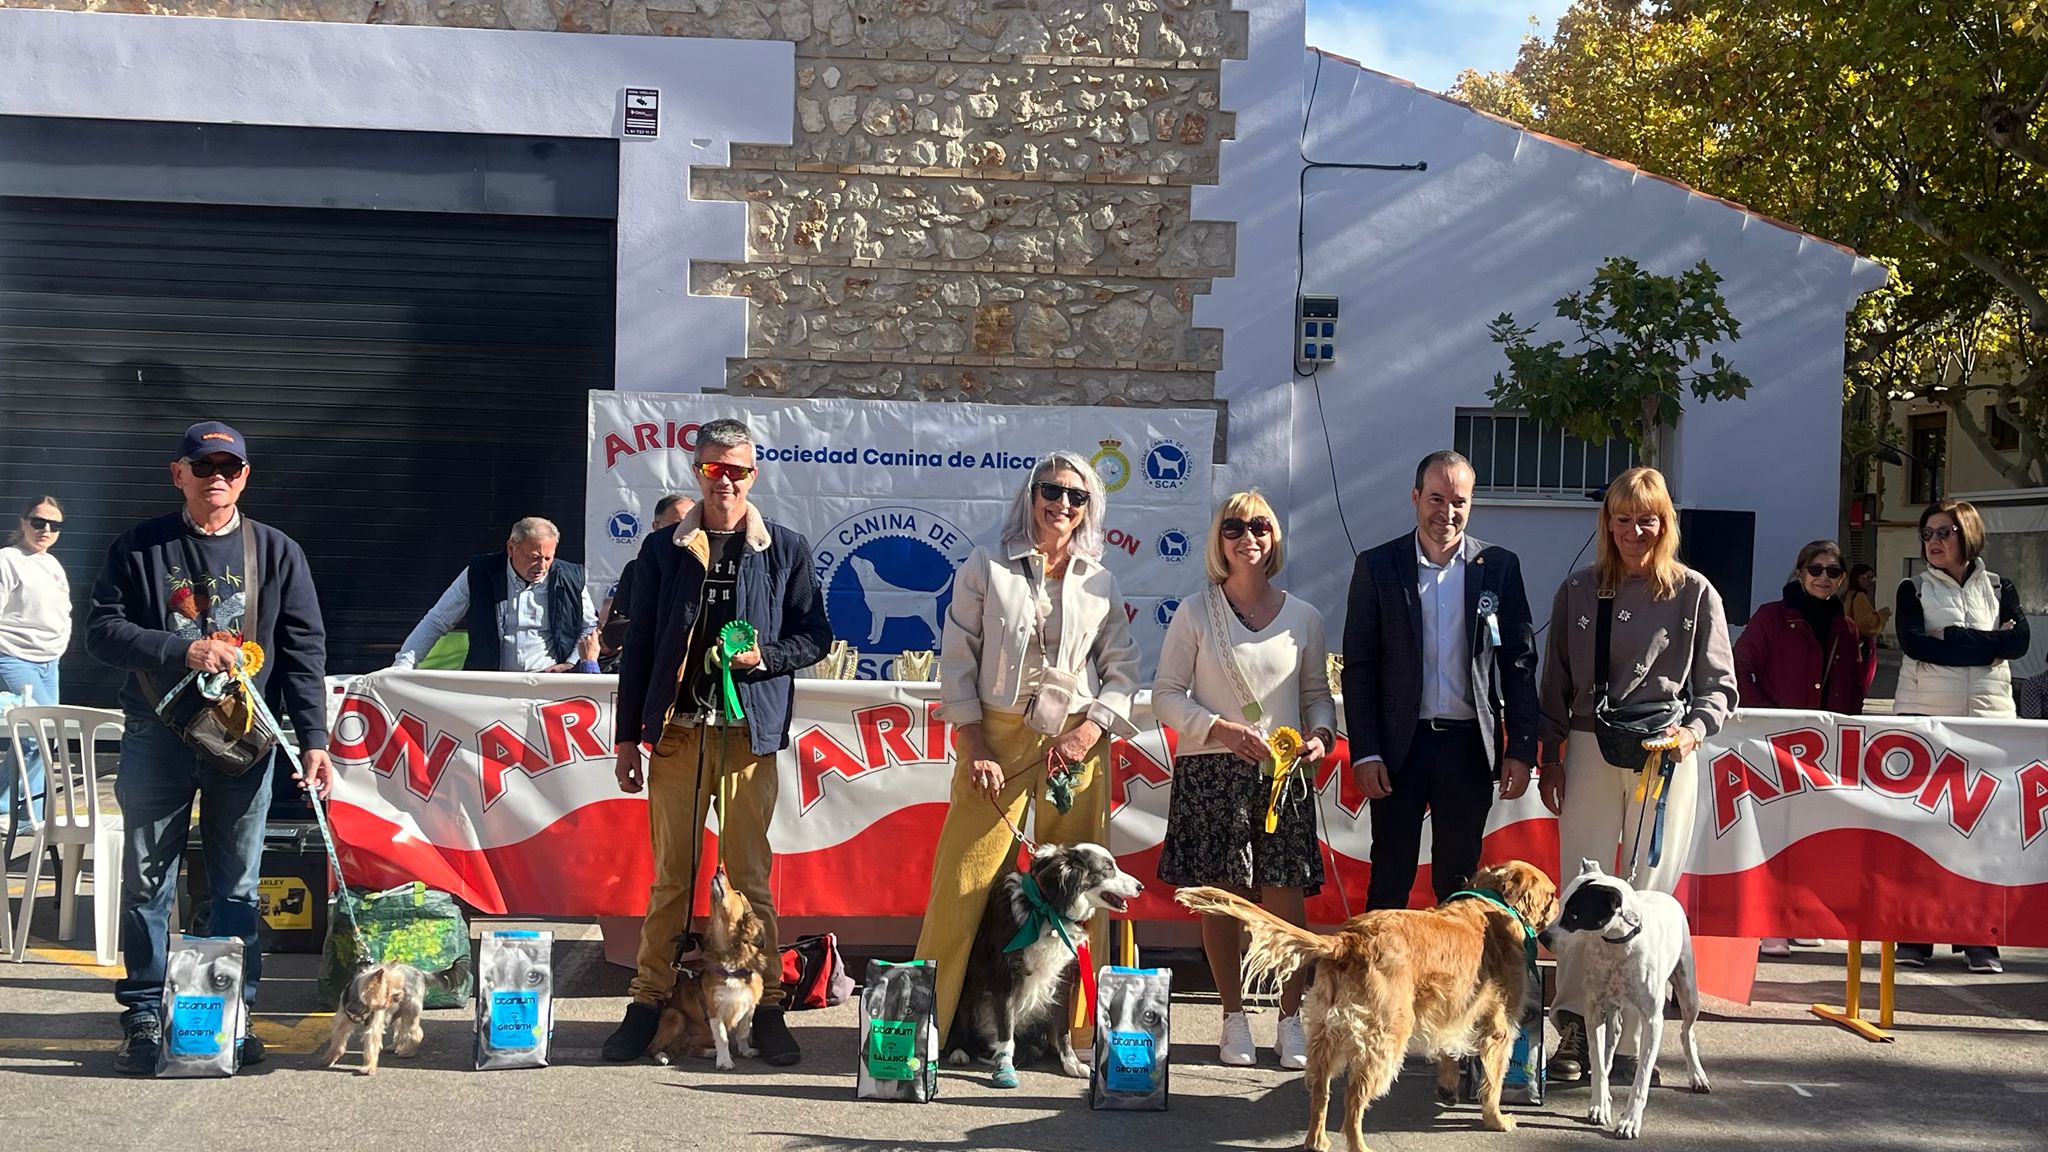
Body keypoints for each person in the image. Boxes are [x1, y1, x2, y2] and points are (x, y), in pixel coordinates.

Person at [85, 421, 332, 1074]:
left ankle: (231, 1015)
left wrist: (314, 739)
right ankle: (144, 1013)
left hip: (243, 742)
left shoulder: (276, 552)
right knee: (147, 880)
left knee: (238, 886)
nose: (216, 477)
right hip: (155, 736)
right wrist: (182, 649)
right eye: (203, 466)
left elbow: (304, 653)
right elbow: (101, 633)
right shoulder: (139, 547)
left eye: (229, 467)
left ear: (245, 477)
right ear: (179, 475)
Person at [603, 419, 832, 1066]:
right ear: (697, 471)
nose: (724, 481)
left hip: (748, 738)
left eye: (736, 470)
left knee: (750, 880)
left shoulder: (784, 548)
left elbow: (816, 635)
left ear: (752, 475)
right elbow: (638, 646)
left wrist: (765, 657)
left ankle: (768, 1007)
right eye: (713, 469)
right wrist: (628, 738)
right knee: (671, 881)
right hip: (678, 734)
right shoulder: (661, 550)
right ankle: (646, 1004)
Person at [913, 451, 1139, 1087]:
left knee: (1089, 887)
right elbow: (957, 659)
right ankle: (929, 1027)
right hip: (997, 733)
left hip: (1077, 739)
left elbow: (1122, 670)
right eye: (1051, 490)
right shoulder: (985, 565)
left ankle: (1078, 1037)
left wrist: (1090, 731)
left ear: (1089, 508)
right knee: (963, 880)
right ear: (1031, 494)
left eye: (1076, 496)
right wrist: (974, 743)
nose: (1062, 504)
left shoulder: (1101, 581)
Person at [1537, 465, 1737, 1085]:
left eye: (1646, 519)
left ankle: (1630, 1033)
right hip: (1590, 744)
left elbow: (1719, 686)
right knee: (1582, 887)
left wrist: (1692, 733)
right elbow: (1555, 682)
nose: (1633, 531)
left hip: (1664, 754)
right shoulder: (1578, 590)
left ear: (1665, 522)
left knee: (1647, 893)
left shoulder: (1696, 592)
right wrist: (1550, 756)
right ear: (1606, 523)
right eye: (1621, 519)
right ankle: (1576, 1023)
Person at [1154, 490, 1335, 1070]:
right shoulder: (1193, 613)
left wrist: (1321, 736)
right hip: (1212, 770)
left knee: (1285, 901)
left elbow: (1316, 696)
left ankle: (1289, 1019)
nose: (1247, 537)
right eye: (1233, 527)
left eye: (1260, 526)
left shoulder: (1305, 617)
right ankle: (1232, 1017)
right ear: (1219, 540)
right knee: (1223, 902)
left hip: (1281, 776)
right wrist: (1219, 729)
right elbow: (1165, 695)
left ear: (1274, 537)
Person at [1343, 450, 1540, 917]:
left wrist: (1521, 748)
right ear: (1415, 497)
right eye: (1436, 498)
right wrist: (1366, 751)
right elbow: (1360, 667)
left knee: (1459, 883)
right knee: (1389, 877)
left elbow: (1519, 663)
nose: (1446, 512)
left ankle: (1452, 968)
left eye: (1459, 501)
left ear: (1471, 504)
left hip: (1467, 748)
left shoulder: (1499, 567)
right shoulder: (1377, 566)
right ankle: (1376, 967)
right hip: (1399, 748)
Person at [1892, 499, 2029, 975]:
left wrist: (1952, 638)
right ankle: (1915, 934)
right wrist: (1988, 645)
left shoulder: (2000, 587)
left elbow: (2019, 643)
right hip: (1927, 721)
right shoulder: (1912, 588)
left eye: (1943, 532)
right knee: (1924, 828)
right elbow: (1915, 644)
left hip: (1989, 720)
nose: (1933, 541)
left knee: (1982, 830)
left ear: (1967, 535)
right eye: (1927, 533)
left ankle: (1979, 937)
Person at [1733, 539, 1869, 957]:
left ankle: (1800, 916)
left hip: (1824, 748)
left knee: (1812, 835)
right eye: (1816, 570)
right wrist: (1769, 719)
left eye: (1833, 572)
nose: (1823, 578)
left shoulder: (1845, 627)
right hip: (1775, 745)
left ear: (1842, 579)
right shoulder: (1772, 617)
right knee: (1774, 834)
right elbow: (1739, 668)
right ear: (1799, 572)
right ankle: (1769, 922)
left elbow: (1853, 687)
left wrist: (1844, 731)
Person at [391, 517, 596, 672]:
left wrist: (570, 663)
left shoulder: (572, 577)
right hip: (490, 687)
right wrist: (403, 666)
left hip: (550, 686)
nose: (541, 566)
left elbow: (589, 627)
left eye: (548, 558)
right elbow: (437, 620)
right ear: (511, 548)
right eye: (534, 557)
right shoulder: (479, 572)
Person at [1, 496, 69, 832]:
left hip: (49, 661)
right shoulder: (8, 560)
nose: (45, 530)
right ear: (23, 522)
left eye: (54, 525)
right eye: (38, 522)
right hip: (14, 657)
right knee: (36, 734)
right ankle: (10, 810)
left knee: (44, 736)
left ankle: (27, 812)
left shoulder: (52, 564)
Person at [597, 494, 693, 672]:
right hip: (650, 668)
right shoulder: (636, 570)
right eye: (676, 525)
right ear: (656, 527)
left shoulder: (709, 569)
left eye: (691, 525)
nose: (685, 532)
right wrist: (653, 623)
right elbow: (612, 633)